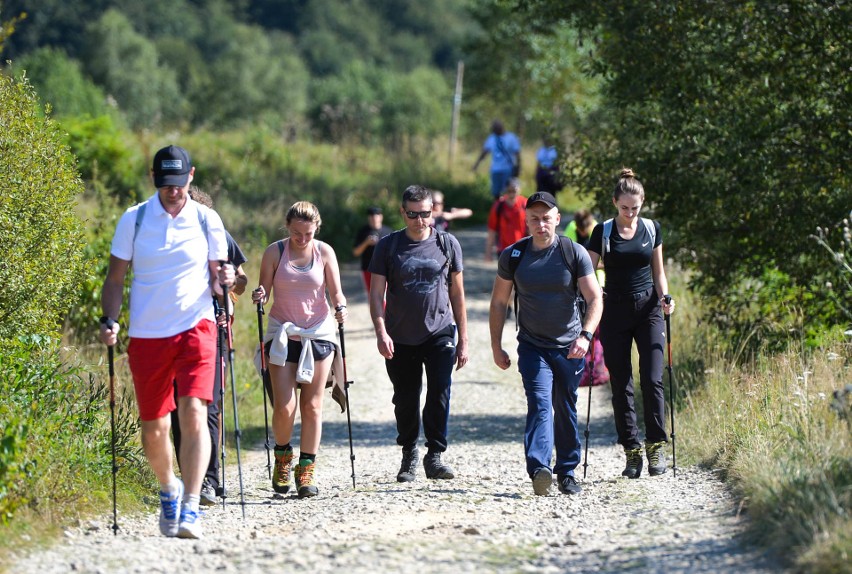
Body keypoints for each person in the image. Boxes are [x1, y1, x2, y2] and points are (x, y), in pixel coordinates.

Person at [99, 145, 236, 539]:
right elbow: (114, 280)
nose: (172, 192)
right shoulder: (134, 220)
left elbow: (216, 279)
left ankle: (191, 505)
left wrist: (224, 282)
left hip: (197, 328)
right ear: (154, 179)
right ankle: (169, 487)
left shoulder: (208, 219)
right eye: (165, 184)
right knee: (154, 428)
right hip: (147, 335)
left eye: (178, 184)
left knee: (194, 411)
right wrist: (110, 320)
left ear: (190, 177)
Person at [489, 191, 602, 496]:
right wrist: (496, 345)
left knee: (565, 407)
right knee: (540, 403)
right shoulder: (514, 256)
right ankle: (540, 468)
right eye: (535, 219)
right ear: (526, 221)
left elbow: (594, 298)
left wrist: (586, 336)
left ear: (557, 219)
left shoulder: (573, 252)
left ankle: (566, 471)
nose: (541, 225)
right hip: (532, 345)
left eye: (546, 218)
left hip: (569, 346)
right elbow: (499, 302)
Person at [368, 185, 469, 482]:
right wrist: (380, 331)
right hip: (399, 334)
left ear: (433, 212)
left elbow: (458, 295)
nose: (419, 220)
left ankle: (435, 455)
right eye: (412, 214)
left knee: (440, 391)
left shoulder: (448, 244)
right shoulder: (388, 246)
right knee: (406, 397)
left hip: (439, 331)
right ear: (402, 212)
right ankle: (409, 452)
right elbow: (376, 294)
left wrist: (463, 339)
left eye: (425, 214)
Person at [251, 202, 348, 499]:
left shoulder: (325, 252)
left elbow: (336, 291)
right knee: (284, 407)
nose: (302, 238)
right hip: (283, 333)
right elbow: (263, 291)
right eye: (296, 233)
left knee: (313, 406)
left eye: (307, 233)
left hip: (318, 333)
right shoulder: (274, 252)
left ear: (316, 228)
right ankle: (282, 459)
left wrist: (340, 307)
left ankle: (306, 470)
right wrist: (260, 295)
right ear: (287, 227)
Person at [586, 168, 676, 479]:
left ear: (642, 203)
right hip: (614, 309)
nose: (629, 213)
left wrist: (666, 296)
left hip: (649, 307)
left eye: (634, 208)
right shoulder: (604, 231)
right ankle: (632, 451)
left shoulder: (652, 229)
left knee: (652, 379)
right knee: (620, 383)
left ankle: (656, 446)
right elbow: (587, 270)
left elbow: (658, 271)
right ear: (615, 203)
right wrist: (591, 299)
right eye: (624, 207)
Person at [169, 187, 248, 506]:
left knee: (209, 403)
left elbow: (241, 280)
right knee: (177, 405)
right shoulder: (166, 236)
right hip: (171, 329)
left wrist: (229, 285)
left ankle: (210, 481)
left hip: (213, 327)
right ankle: (191, 475)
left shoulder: (220, 235)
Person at [565, 209, 609, 387]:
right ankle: (583, 371)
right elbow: (569, 256)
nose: (582, 234)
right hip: (576, 285)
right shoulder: (571, 228)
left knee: (596, 330)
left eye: (585, 232)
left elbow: (606, 260)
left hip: (598, 283)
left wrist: (586, 266)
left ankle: (597, 371)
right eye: (580, 232)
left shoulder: (597, 230)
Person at [472, 120, 521, 200]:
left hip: (508, 169)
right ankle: (498, 209)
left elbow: (517, 153)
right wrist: (476, 164)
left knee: (508, 190)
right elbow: (484, 152)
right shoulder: (491, 138)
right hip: (496, 169)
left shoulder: (511, 137)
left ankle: (508, 209)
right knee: (496, 192)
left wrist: (518, 167)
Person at [486, 178, 528, 262]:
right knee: (505, 274)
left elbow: (531, 228)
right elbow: (492, 230)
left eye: (514, 191)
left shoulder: (525, 204)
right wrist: (488, 252)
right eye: (509, 191)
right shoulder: (498, 206)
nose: (512, 194)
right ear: (505, 190)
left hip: (523, 248)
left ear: (519, 190)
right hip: (503, 250)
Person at [352, 206, 391, 294]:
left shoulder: (388, 232)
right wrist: (366, 243)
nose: (374, 218)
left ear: (381, 217)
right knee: (372, 295)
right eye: (372, 216)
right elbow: (356, 252)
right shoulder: (363, 232)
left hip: (386, 269)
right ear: (369, 218)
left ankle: (385, 308)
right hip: (368, 269)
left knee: (385, 296)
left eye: (377, 215)